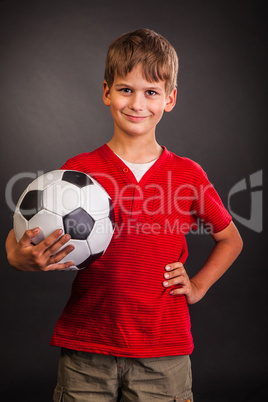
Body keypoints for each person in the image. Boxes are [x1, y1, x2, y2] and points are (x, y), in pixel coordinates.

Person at [5, 28, 243, 402]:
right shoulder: (77, 172)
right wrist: (20, 257)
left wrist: (198, 286)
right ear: (106, 92)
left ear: (170, 98)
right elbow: (20, 236)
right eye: (125, 89)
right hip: (87, 346)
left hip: (162, 351)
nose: (137, 103)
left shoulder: (188, 175)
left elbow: (231, 238)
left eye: (151, 92)